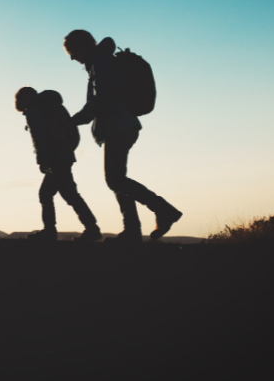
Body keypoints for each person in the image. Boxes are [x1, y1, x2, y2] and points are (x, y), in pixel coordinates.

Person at [63, 30, 182, 243]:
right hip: (119, 125)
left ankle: (163, 210)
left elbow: (103, 98)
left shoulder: (101, 61)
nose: (71, 57)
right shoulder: (99, 62)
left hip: (119, 125)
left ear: (83, 46)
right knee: (116, 179)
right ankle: (132, 231)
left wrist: (75, 120)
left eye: (72, 51)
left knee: (115, 179)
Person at [14, 86, 101, 242]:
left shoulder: (35, 109)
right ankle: (51, 231)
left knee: (69, 195)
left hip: (55, 158)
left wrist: (43, 160)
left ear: (24, 99)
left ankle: (91, 229)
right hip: (64, 155)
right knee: (47, 194)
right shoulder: (53, 105)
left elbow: (40, 136)